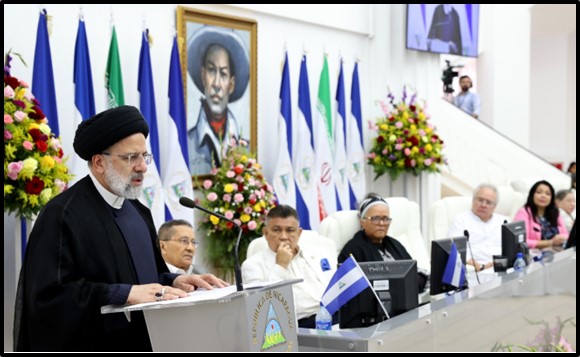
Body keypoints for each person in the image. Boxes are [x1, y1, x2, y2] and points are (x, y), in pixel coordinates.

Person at [14, 106, 226, 352]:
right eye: (130, 158)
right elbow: (48, 297)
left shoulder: (138, 212)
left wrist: (176, 280)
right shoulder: (62, 215)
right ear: (99, 162)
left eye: (145, 157)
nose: (142, 167)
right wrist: (122, 294)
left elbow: (146, 279)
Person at [241, 205, 337, 328]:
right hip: (300, 326)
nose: (284, 237)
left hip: (333, 316)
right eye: (276, 230)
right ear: (265, 233)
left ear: (299, 233)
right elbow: (262, 310)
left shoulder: (319, 254)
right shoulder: (252, 265)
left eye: (290, 230)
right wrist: (280, 266)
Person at [187, 25, 250, 176]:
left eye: (223, 74)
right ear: (203, 75)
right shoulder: (187, 144)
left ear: (231, 84)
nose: (216, 84)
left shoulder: (245, 149)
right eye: (211, 70)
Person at [338, 193, 428, 292]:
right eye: (376, 219)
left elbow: (415, 272)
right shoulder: (353, 250)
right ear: (362, 221)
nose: (382, 223)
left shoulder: (395, 244)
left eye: (385, 219)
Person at [447, 184, 508, 272]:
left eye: (488, 202)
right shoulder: (460, 220)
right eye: (480, 200)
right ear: (473, 200)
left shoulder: (503, 221)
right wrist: (479, 266)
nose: (483, 205)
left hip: (502, 268)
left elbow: (510, 248)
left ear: (495, 206)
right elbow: (454, 249)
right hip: (475, 270)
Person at [513, 180, 569, 250]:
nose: (543, 196)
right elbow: (521, 241)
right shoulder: (524, 212)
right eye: (539, 192)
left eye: (548, 194)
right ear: (532, 194)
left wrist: (560, 238)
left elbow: (566, 234)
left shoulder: (555, 212)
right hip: (535, 255)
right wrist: (550, 242)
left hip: (558, 252)